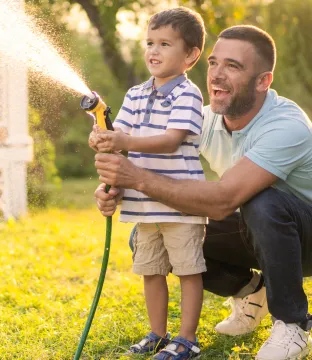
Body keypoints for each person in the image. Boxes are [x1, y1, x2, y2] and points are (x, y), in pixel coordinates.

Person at [94, 24, 312, 360]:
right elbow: (159, 168)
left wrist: (136, 178)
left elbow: (225, 199)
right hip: (259, 231)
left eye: (233, 66)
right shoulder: (204, 119)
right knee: (148, 233)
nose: (217, 75)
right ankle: (254, 292)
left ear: (263, 81)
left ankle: (292, 323)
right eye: (213, 63)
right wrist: (116, 186)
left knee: (261, 200)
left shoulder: (287, 125)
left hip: (306, 236)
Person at [89, 7, 206, 359]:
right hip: (143, 205)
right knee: (151, 271)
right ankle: (157, 333)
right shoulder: (136, 93)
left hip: (180, 204)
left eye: (165, 44)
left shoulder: (188, 94)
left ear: (190, 55)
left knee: (188, 271)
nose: (153, 51)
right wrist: (101, 136)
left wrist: (123, 142)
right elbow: (119, 133)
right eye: (150, 42)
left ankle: (186, 339)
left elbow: (170, 140)